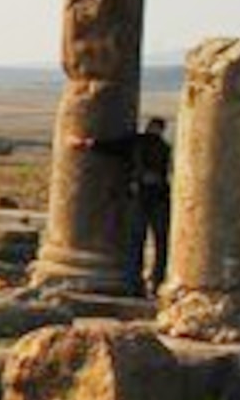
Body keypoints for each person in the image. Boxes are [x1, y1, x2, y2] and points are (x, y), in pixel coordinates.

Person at [71, 117, 172, 296]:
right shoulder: (164, 147)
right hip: (159, 198)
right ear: (161, 129)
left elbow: (111, 147)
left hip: (141, 197)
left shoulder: (137, 142)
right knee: (159, 243)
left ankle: (134, 284)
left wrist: (86, 143)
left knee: (136, 241)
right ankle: (156, 282)